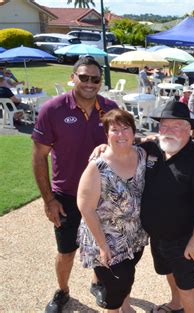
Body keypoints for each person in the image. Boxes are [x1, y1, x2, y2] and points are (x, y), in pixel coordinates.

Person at [31, 56, 118, 313]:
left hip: (103, 195)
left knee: (103, 244)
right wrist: (49, 200)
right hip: (66, 195)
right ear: (73, 78)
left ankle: (97, 281)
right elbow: (39, 157)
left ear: (101, 81)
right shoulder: (53, 109)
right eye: (84, 77)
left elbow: (124, 145)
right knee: (66, 250)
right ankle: (63, 291)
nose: (90, 83)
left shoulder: (110, 108)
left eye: (95, 78)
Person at [141, 100, 194, 313]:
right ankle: (176, 305)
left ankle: (184, 304)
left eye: (176, 126)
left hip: (184, 239)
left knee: (187, 286)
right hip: (157, 236)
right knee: (168, 272)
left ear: (189, 129)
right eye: (164, 125)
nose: (169, 130)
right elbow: (122, 144)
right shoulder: (152, 148)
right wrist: (104, 146)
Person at [77, 109, 148, 312]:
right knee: (115, 285)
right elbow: (86, 208)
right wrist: (102, 246)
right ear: (106, 134)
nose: (121, 134)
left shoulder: (142, 155)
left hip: (135, 235)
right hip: (106, 238)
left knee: (128, 274)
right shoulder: (97, 167)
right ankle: (115, 308)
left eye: (125, 128)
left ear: (134, 132)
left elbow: (164, 138)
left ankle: (125, 304)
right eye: (114, 130)